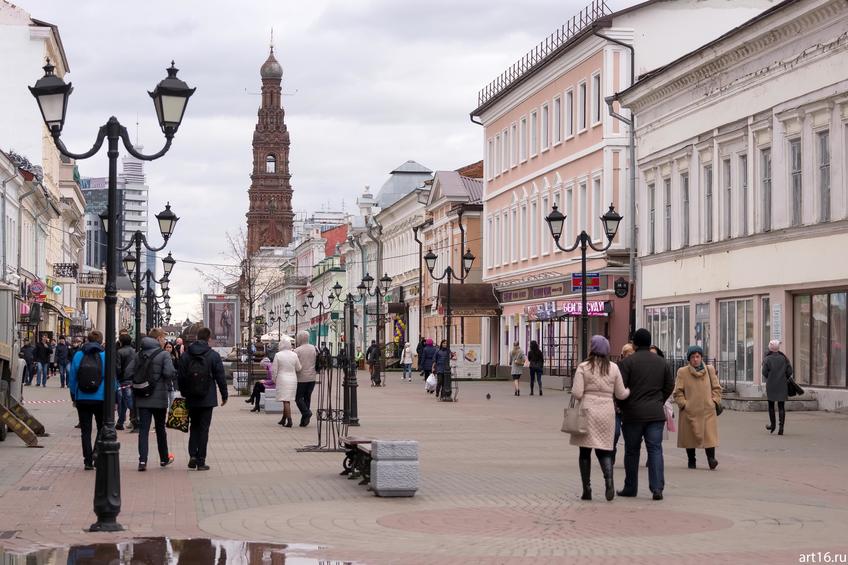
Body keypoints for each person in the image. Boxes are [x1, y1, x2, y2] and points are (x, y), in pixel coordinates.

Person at [616, 328, 674, 501]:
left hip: (632, 414)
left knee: (632, 451)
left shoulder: (627, 363)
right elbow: (669, 385)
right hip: (655, 414)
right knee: (655, 449)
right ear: (649, 343)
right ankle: (657, 488)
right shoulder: (662, 362)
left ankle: (630, 487)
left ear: (634, 343)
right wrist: (659, 401)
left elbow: (619, 389)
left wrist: (623, 405)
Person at [570, 336, 630, 501]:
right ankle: (609, 482)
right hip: (606, 412)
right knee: (604, 449)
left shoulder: (584, 367)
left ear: (592, 348)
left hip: (588, 411)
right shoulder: (614, 368)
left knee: (584, 451)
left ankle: (587, 489)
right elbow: (620, 394)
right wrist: (629, 391)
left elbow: (576, 393)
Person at [178, 327, 228, 471]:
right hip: (208, 397)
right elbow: (220, 377)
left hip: (191, 397)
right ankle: (201, 461)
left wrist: (184, 392)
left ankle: (192, 455)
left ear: (196, 338)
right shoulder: (213, 355)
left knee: (194, 426)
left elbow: (180, 376)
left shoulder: (186, 355)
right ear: (208, 338)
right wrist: (224, 395)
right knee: (204, 429)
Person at [128, 328, 176, 471]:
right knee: (160, 429)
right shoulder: (164, 355)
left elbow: (128, 372)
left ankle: (142, 461)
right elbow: (168, 373)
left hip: (142, 396)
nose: (164, 341)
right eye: (162, 338)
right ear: (158, 339)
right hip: (159, 398)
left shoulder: (139, 355)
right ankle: (164, 458)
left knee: (143, 430)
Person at [68, 330, 114, 470]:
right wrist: (113, 398)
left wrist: (74, 396)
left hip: (82, 397)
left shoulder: (79, 355)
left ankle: (87, 460)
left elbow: (72, 378)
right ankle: (96, 452)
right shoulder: (105, 355)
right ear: (101, 341)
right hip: (101, 398)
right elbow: (111, 378)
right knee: (102, 428)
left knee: (85, 431)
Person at [673, 345, 722, 470]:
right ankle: (691, 460)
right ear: (689, 359)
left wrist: (714, 402)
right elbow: (677, 392)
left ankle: (711, 459)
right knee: (690, 437)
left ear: (701, 357)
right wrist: (684, 404)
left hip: (707, 410)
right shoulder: (682, 372)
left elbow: (717, 388)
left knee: (709, 436)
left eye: (698, 356)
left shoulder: (709, 369)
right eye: (693, 357)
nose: (695, 359)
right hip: (690, 410)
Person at [762, 339, 793, 435]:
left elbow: (764, 372)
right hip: (782, 385)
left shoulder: (767, 359)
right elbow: (789, 372)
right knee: (781, 406)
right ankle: (781, 428)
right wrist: (783, 377)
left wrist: (770, 377)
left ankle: (773, 425)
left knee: (771, 405)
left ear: (770, 348)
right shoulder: (784, 358)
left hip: (771, 385)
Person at [612, 342, 635, 465]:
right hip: (616, 407)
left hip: (630, 408)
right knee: (615, 433)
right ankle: (612, 450)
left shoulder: (637, 368)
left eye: (632, 354)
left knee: (630, 437)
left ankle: (629, 459)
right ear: (623, 355)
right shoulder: (616, 368)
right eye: (628, 354)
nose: (630, 357)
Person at [272, 338, 301, 428]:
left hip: (282, 378)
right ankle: (283, 419)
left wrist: (274, 379)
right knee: (287, 399)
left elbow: (274, 370)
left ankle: (289, 420)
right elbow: (298, 368)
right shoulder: (294, 355)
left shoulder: (278, 355)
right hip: (292, 379)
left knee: (285, 401)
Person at [293, 331, 318, 427]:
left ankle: (306, 413)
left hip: (301, 378)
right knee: (307, 397)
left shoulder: (297, 350)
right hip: (312, 377)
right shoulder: (314, 348)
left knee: (298, 397)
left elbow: (295, 365)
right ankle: (304, 420)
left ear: (300, 338)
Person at [115, 334, 137, 431]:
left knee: (127, 401)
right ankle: (120, 422)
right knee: (125, 400)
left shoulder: (119, 352)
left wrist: (118, 377)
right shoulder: (135, 351)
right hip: (134, 378)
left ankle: (135, 420)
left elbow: (118, 367)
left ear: (121, 342)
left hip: (124, 379)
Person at [164, 341, 179, 407]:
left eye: (170, 347)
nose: (168, 349)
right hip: (165, 381)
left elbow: (178, 368)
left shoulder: (175, 357)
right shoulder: (162, 357)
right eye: (167, 347)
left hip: (173, 380)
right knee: (166, 399)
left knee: (172, 399)